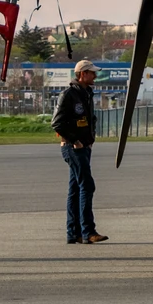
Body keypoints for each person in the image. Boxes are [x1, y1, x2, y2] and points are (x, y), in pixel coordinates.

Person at [54, 60, 107, 244]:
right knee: (87, 186)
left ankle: (74, 233)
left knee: (76, 189)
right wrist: (75, 140)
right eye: (92, 73)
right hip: (73, 148)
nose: (95, 76)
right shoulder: (68, 95)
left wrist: (90, 139)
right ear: (82, 74)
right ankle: (88, 232)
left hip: (84, 147)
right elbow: (57, 123)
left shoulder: (86, 94)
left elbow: (90, 118)